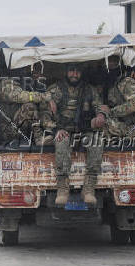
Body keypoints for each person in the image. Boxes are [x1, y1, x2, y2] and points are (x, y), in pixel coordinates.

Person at [48, 63, 106, 206]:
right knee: (61, 142)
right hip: (63, 129)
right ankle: (62, 188)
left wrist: (100, 115)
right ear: (66, 72)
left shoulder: (89, 89)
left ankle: (88, 187)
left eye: (77, 72)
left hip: (84, 130)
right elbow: (44, 114)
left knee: (97, 141)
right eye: (71, 71)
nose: (74, 74)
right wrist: (56, 129)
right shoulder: (55, 90)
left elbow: (99, 105)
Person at [0, 63, 55, 145]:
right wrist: (45, 96)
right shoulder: (5, 84)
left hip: (23, 129)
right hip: (8, 131)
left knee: (42, 105)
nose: (25, 71)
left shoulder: (26, 83)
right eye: (23, 68)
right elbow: (20, 96)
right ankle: (39, 138)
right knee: (29, 107)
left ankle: (49, 132)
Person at [103, 55, 135, 137]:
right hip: (123, 124)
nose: (111, 64)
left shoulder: (128, 82)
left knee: (104, 125)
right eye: (109, 62)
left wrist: (111, 111)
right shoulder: (114, 84)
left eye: (114, 62)